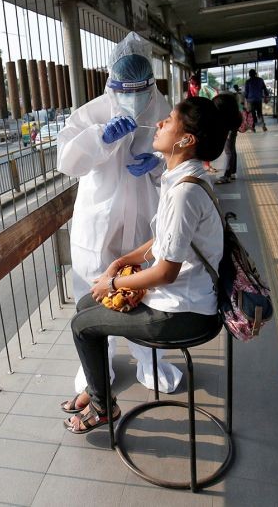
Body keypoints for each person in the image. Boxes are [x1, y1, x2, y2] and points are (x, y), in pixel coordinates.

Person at [62, 96, 227, 434]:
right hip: (189, 299)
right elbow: (161, 242)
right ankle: (97, 390)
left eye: (169, 120)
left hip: (182, 314)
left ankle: (102, 405)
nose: (160, 123)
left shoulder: (183, 193)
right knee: (84, 305)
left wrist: (112, 284)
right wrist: (121, 262)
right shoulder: (184, 178)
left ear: (186, 140)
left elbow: (165, 273)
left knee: (82, 325)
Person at [57, 32, 182, 409]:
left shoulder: (162, 109)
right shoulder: (92, 113)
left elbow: (180, 158)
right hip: (100, 219)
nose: (132, 98)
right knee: (95, 292)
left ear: (150, 85)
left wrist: (159, 164)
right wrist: (99, 138)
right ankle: (98, 366)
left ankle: (151, 360)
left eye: (139, 90)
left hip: (145, 217)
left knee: (143, 292)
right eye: (123, 90)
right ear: (111, 84)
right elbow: (67, 163)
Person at [214, 93, 242, 184]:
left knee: (229, 151)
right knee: (232, 150)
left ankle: (227, 176)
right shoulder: (234, 113)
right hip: (232, 129)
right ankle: (232, 172)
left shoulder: (227, 116)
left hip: (230, 130)